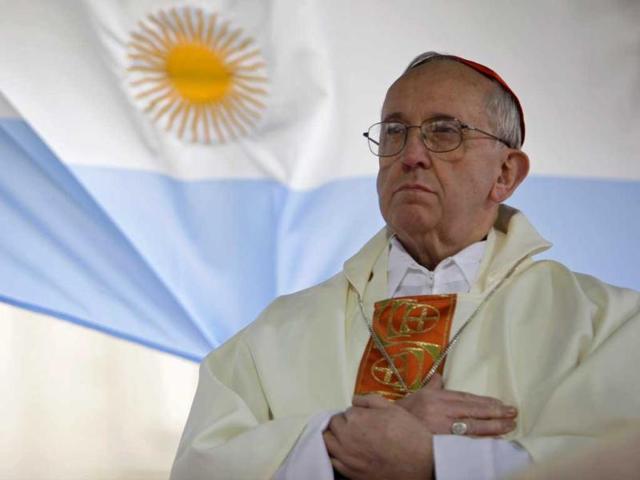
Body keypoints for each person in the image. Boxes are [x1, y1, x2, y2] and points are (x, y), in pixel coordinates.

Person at [170, 52, 640, 479]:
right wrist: (335, 438)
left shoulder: (607, 326)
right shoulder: (276, 334)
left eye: (444, 132)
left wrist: (439, 462)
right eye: (394, 133)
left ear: (505, 174)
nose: (411, 156)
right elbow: (201, 464)